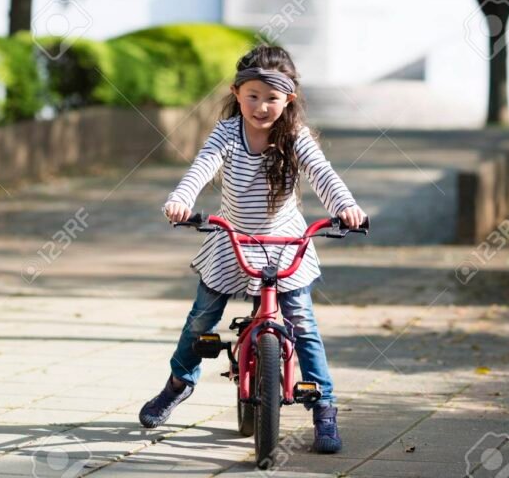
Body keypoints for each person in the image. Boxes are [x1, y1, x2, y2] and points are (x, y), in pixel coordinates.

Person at [137, 45, 367, 454]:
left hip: (285, 243)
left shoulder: (295, 137)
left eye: (272, 98)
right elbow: (202, 167)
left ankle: (324, 408)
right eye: (253, 96)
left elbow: (323, 174)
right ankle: (177, 383)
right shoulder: (227, 133)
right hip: (231, 242)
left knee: (303, 324)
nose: (261, 107)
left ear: (289, 99)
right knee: (201, 318)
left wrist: (346, 208)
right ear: (236, 93)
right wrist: (181, 200)